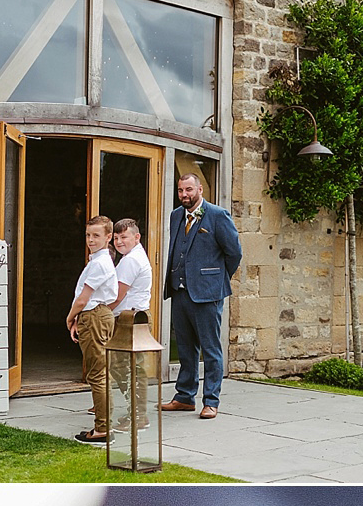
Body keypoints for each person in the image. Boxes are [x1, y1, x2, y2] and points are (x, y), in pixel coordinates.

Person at [160, 173, 241, 420]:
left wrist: (214, 279)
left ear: (200, 189)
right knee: (185, 348)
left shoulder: (217, 215)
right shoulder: (176, 216)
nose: (184, 195)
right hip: (180, 290)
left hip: (207, 293)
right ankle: (184, 397)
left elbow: (234, 253)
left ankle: (211, 400)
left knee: (210, 348)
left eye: (189, 190)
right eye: (181, 190)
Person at [67, 215, 118, 443]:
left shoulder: (100, 263)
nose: (91, 239)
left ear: (108, 237)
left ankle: (102, 429)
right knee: (99, 373)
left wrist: (70, 318)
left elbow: (83, 299)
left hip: (95, 317)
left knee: (97, 374)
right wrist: (79, 318)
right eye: (88, 235)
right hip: (94, 314)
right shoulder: (97, 261)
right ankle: (104, 424)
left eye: (96, 235)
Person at [109, 217, 154, 428]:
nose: (119, 242)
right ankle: (135, 412)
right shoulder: (132, 256)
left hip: (130, 319)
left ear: (136, 237)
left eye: (123, 237)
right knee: (127, 368)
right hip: (134, 317)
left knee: (127, 368)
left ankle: (138, 416)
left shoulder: (131, 260)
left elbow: (117, 295)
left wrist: (101, 312)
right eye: (116, 238)